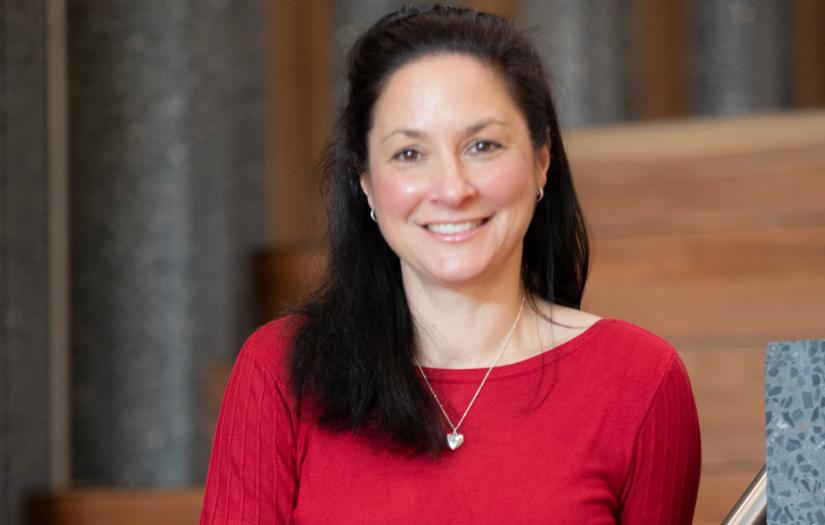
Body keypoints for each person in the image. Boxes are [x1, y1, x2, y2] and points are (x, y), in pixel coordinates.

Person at [200, 5, 701, 524]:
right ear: (366, 182)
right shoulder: (279, 371)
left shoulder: (640, 379)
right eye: (410, 154)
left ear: (541, 160)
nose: (452, 189)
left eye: (482, 145)